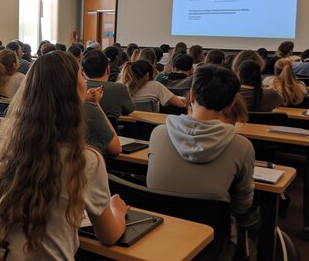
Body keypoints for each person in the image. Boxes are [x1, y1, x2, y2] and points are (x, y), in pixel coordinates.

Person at [0, 51, 128, 260]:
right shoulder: (86, 160)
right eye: (81, 77)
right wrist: (117, 210)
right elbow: (109, 235)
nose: (86, 82)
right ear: (73, 93)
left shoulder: (7, 152)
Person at [147, 64, 255, 260]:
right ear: (231, 104)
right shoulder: (242, 146)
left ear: (192, 96)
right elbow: (242, 206)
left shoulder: (158, 134)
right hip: (213, 240)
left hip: (157, 231)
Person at [82, 49, 135, 119]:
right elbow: (129, 109)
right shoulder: (119, 88)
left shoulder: (77, 88)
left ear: (83, 72)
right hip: (111, 129)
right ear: (108, 69)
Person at [118, 59, 185, 110]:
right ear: (147, 75)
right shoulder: (155, 86)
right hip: (151, 125)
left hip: (126, 125)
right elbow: (180, 104)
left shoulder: (119, 86)